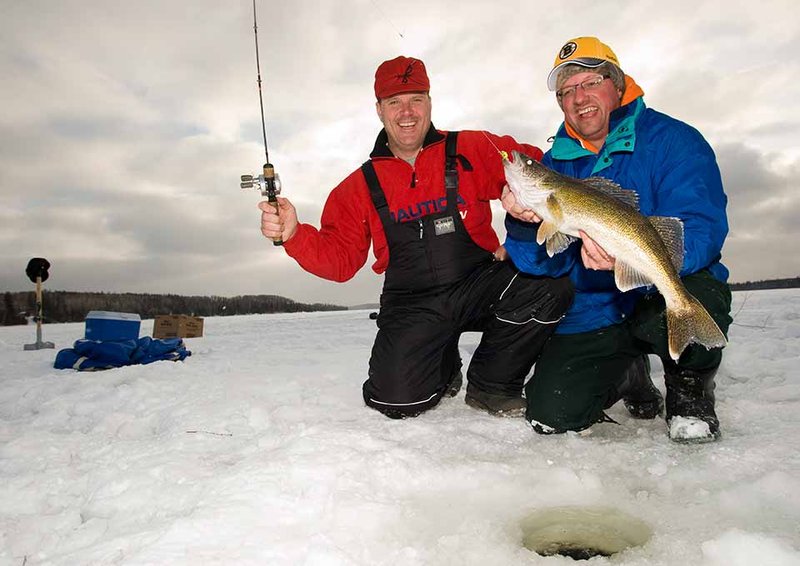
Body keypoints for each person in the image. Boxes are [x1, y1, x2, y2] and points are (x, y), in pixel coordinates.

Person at [259, 56, 573, 419]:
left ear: (429, 102)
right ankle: (442, 363)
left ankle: (492, 384)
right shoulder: (357, 187)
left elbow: (544, 167)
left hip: (478, 284)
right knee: (396, 401)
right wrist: (295, 234)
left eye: (416, 99)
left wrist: (524, 203)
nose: (406, 112)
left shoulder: (474, 147)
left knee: (550, 287)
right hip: (412, 301)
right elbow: (341, 262)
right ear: (379, 110)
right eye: (394, 102)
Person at [501, 37, 732, 443]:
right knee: (551, 414)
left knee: (698, 293)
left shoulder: (674, 139)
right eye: (566, 91)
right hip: (599, 306)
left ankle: (689, 389)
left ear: (617, 83)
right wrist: (522, 220)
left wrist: (635, 262)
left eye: (589, 82)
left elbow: (701, 228)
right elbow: (539, 262)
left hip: (665, 286)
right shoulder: (555, 166)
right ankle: (627, 373)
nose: (578, 98)